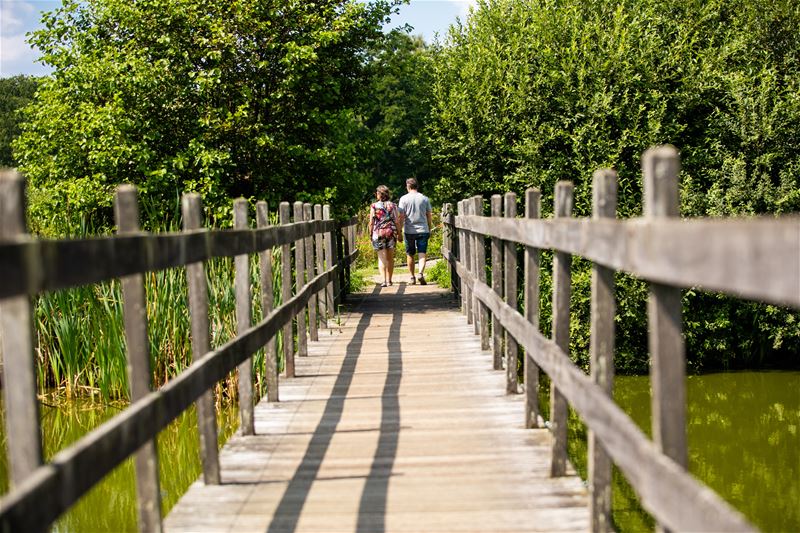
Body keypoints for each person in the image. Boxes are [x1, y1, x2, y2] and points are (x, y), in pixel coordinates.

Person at [398, 177, 433, 285]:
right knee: (422, 253)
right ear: (417, 186)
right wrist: (429, 227)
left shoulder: (403, 199)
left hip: (409, 231)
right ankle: (420, 274)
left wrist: (399, 230)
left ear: (408, 186)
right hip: (423, 230)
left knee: (410, 254)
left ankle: (412, 277)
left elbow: (401, 216)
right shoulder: (424, 198)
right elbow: (429, 215)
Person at [368, 185, 401, 287]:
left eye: (377, 193)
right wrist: (399, 233)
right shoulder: (393, 205)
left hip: (378, 233)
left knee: (381, 258)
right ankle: (389, 280)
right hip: (391, 233)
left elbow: (371, 222)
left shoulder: (374, 206)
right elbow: (396, 221)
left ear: (379, 194)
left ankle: (384, 281)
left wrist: (370, 234)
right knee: (390, 258)